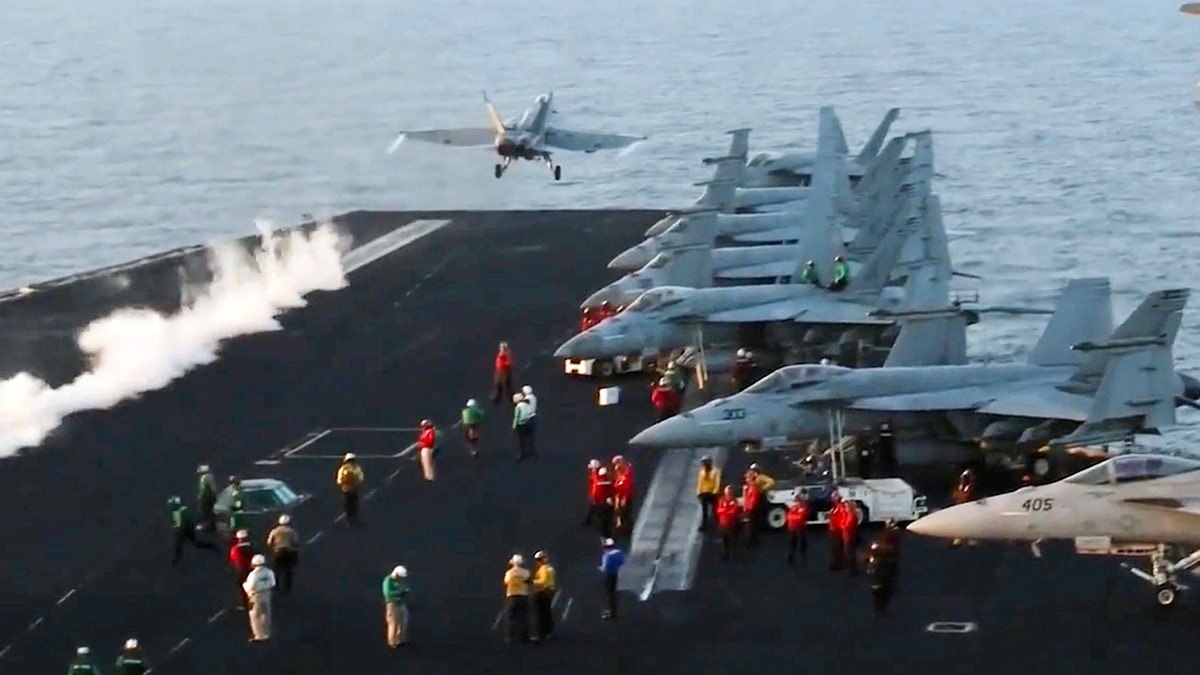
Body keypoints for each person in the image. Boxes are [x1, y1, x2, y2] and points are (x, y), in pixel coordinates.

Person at [169, 496, 215, 565]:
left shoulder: (182, 511)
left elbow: (187, 522)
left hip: (185, 530)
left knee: (185, 544)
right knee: (180, 544)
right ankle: (177, 558)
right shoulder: (176, 511)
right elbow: (176, 522)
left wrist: (189, 529)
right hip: (182, 530)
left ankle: (211, 545)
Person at [243, 554, 276, 642]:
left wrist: (244, 586)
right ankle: (266, 633)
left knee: (255, 616)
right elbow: (273, 583)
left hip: (255, 596)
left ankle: (258, 635)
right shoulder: (269, 572)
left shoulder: (253, 575)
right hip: (266, 594)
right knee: (266, 614)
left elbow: (250, 586)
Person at [266, 514, 299, 594]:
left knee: (277, 569)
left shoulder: (274, 531)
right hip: (288, 551)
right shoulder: (291, 531)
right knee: (288, 570)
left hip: (278, 552)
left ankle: (276, 585)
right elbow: (296, 542)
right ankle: (287, 588)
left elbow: (269, 542)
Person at [503, 554, 531, 644]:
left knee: (511, 617)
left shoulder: (509, 573)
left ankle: (510, 636)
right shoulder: (526, 572)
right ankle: (524, 637)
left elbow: (506, 582)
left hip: (512, 596)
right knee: (523, 617)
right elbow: (529, 581)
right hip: (523, 595)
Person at [867, 539, 899, 614]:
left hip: (881, 574)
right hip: (880, 574)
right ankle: (881, 608)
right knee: (881, 591)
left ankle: (881, 608)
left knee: (883, 591)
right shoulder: (884, 546)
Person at [382, 565, 410, 649]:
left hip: (400, 603)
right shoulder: (388, 581)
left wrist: (404, 590)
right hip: (392, 604)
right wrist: (399, 592)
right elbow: (388, 593)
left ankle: (400, 639)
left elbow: (401, 587)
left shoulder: (399, 581)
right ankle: (392, 642)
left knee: (403, 621)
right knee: (393, 623)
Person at [531, 551, 556, 642]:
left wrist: (532, 582)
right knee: (547, 613)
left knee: (540, 614)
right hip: (549, 591)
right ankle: (548, 632)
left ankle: (540, 634)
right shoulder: (550, 568)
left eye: (539, 560)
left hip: (542, 592)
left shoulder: (543, 568)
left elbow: (543, 581)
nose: (537, 562)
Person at [598, 539, 625, 620]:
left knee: (609, 594)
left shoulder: (606, 556)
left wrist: (600, 568)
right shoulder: (619, 552)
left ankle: (610, 612)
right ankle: (613, 611)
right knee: (612, 593)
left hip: (609, 575)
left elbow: (604, 568)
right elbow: (622, 562)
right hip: (616, 574)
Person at [229, 529, 255, 611]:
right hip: (253, 569)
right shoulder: (253, 547)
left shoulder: (235, 549)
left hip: (241, 570)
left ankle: (246, 604)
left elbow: (234, 559)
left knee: (243, 587)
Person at [715, 485, 741, 562]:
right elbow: (718, 510)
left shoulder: (734, 501)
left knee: (732, 541)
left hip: (731, 524)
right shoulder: (722, 500)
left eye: (729, 493)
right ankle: (725, 554)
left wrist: (725, 511)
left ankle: (732, 555)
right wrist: (726, 511)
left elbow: (734, 511)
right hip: (723, 524)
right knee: (724, 540)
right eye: (727, 493)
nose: (728, 494)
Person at [336, 453, 364, 525]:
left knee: (348, 504)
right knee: (353, 503)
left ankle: (349, 518)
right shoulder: (356, 468)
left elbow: (339, 479)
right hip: (354, 488)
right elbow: (360, 477)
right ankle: (353, 518)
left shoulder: (343, 468)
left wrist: (343, 485)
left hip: (347, 489)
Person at [951, 469, 976, 547]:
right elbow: (956, 495)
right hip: (960, 508)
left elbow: (966, 496)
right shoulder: (960, 487)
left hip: (967, 508)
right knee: (959, 524)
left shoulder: (970, 487)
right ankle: (958, 539)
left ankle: (970, 540)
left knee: (968, 524)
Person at [695, 456, 721, 531]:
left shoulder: (716, 471)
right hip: (704, 493)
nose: (704, 464)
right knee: (704, 510)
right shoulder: (702, 472)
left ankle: (717, 524)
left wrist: (715, 491)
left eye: (706, 462)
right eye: (704, 463)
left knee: (715, 509)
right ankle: (704, 525)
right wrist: (698, 492)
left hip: (712, 493)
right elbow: (700, 482)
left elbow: (717, 482)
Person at [785, 495, 810, 567]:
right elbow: (799, 517)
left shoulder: (798, 507)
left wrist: (796, 514)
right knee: (796, 543)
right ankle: (795, 558)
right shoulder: (799, 507)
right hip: (797, 527)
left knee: (798, 543)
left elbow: (803, 515)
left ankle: (797, 558)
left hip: (796, 527)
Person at [612, 456, 635, 533]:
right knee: (618, 510)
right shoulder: (619, 469)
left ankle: (626, 528)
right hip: (619, 494)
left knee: (625, 511)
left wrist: (624, 498)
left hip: (625, 495)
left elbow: (626, 485)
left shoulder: (627, 472)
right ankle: (620, 524)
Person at [592, 466, 615, 538]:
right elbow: (614, 493)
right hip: (609, 505)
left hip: (600, 505)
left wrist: (595, 503)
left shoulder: (598, 484)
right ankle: (609, 535)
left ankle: (603, 535)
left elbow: (595, 494)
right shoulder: (610, 484)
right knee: (608, 521)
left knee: (601, 521)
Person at [512, 393, 536, 461]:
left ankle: (522, 454)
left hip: (521, 424)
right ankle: (530, 452)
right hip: (528, 423)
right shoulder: (527, 404)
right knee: (529, 438)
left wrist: (514, 426)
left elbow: (516, 417)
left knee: (521, 440)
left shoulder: (518, 407)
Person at [741, 475, 763, 548]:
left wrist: (748, 508)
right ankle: (751, 540)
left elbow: (753, 500)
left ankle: (750, 542)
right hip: (749, 509)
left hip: (751, 510)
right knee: (750, 526)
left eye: (747, 478)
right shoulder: (749, 487)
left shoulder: (753, 488)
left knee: (750, 526)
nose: (746, 479)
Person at [197, 464, 218, 532]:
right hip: (208, 498)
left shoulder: (206, 478)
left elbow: (204, 489)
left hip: (207, 498)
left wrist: (201, 496)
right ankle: (209, 525)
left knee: (207, 512)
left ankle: (208, 525)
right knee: (208, 512)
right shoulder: (207, 477)